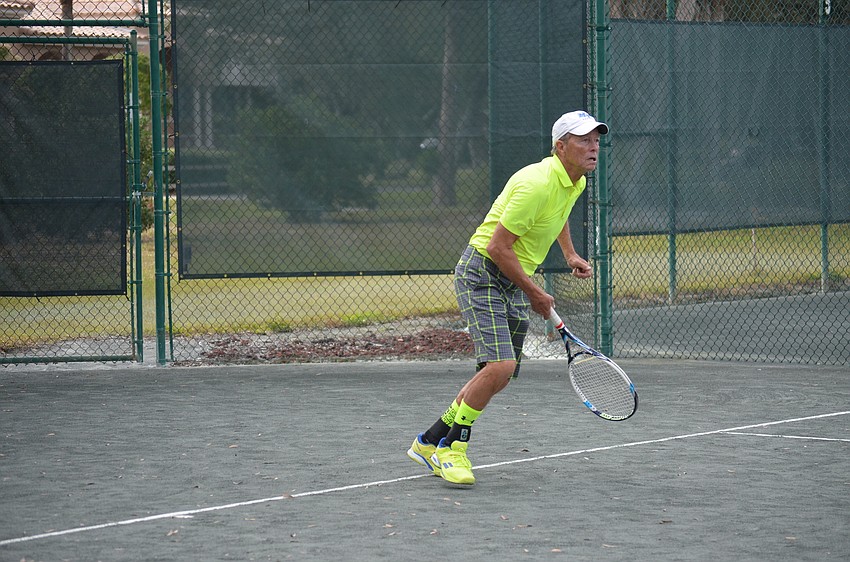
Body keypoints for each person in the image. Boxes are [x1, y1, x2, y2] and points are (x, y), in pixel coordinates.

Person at [407, 110, 608, 486]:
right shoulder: (536, 183)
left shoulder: (574, 180)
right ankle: (452, 449)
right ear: (560, 147)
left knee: (499, 374)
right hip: (483, 271)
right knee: (499, 366)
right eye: (583, 140)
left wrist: (569, 254)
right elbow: (499, 247)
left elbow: (558, 213)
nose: (593, 147)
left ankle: (428, 440)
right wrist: (535, 293)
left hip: (513, 277)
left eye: (596, 139)